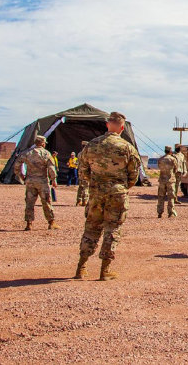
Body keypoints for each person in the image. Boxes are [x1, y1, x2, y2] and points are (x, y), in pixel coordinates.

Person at [74, 112, 140, 281]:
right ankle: (105, 270)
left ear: (107, 125)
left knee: (91, 228)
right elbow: (134, 175)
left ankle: (81, 267)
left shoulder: (91, 145)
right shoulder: (127, 147)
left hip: (96, 192)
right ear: (122, 128)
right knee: (113, 229)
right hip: (117, 193)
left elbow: (82, 171)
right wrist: (121, 186)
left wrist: (96, 183)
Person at [14, 135, 58, 231]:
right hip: (42, 182)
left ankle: (29, 224)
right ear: (42, 143)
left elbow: (17, 164)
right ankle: (51, 222)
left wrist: (20, 175)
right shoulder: (46, 154)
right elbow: (51, 168)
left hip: (30, 181)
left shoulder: (27, 153)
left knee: (29, 203)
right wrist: (54, 179)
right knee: (46, 202)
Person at [156, 146, 177, 218]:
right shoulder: (173, 159)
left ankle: (159, 212)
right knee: (171, 197)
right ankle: (171, 212)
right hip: (170, 180)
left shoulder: (160, 159)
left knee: (161, 197)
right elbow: (176, 169)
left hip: (162, 180)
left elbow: (159, 167)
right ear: (170, 151)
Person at [76, 141, 90, 207]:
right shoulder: (87, 154)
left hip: (80, 172)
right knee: (86, 186)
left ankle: (78, 200)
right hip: (86, 172)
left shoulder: (79, 154)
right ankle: (85, 201)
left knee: (80, 186)